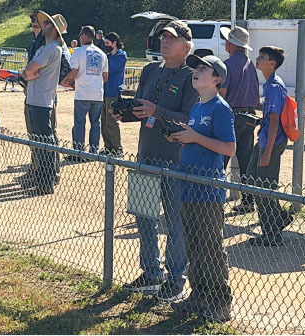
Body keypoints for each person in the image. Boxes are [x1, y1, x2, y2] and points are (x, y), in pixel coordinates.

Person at [112, 20, 199, 302]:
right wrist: (124, 113)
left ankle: (175, 279)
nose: (164, 42)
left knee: (175, 222)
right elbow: (141, 108)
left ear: (186, 46)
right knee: (144, 217)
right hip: (146, 154)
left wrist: (156, 110)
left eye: (171, 38)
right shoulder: (150, 70)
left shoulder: (192, 77)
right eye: (162, 37)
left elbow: (190, 120)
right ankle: (151, 273)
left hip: (175, 161)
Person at [167, 54, 235, 322]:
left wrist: (195, 137)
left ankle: (220, 301)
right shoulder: (197, 107)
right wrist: (182, 135)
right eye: (196, 68)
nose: (197, 71)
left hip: (208, 189)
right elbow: (196, 141)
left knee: (210, 246)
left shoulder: (220, 108)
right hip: (189, 185)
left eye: (204, 69)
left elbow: (229, 148)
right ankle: (200, 295)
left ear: (216, 79)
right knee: (193, 244)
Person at [246, 46, 293, 247]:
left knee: (264, 186)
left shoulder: (274, 86)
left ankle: (272, 233)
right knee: (252, 178)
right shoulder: (270, 84)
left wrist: (266, 152)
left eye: (262, 57)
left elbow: (275, 122)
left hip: (270, 144)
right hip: (266, 140)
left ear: (272, 63)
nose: (258, 59)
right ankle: (278, 218)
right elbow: (270, 119)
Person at [21, 10, 67, 195]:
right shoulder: (44, 47)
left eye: (47, 24)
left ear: (55, 30)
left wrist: (28, 74)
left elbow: (29, 70)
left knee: (44, 144)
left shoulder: (52, 48)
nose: (43, 26)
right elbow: (27, 72)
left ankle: (46, 181)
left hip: (41, 101)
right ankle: (41, 179)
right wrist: (28, 74)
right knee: (39, 143)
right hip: (36, 99)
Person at [219, 26, 259, 213]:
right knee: (246, 159)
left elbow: (222, 93)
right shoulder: (250, 64)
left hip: (231, 114)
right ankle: (248, 200)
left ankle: (214, 197)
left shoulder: (227, 65)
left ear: (230, 44)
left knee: (220, 156)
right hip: (249, 115)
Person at [61, 25, 108, 154]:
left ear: (85, 36)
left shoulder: (79, 52)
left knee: (80, 123)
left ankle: (78, 150)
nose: (80, 37)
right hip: (97, 94)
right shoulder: (102, 54)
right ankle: (94, 150)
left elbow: (74, 71)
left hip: (82, 94)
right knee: (95, 123)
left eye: (81, 34)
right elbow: (105, 77)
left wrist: (66, 81)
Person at [101, 32, 127, 157]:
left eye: (107, 43)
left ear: (114, 43)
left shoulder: (121, 56)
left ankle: (117, 147)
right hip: (103, 92)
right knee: (104, 121)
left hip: (113, 92)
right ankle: (108, 147)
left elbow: (108, 70)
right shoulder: (106, 56)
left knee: (111, 121)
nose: (105, 45)